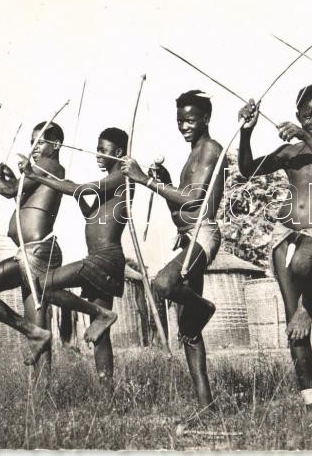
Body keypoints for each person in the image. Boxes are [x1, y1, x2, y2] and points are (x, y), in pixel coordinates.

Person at [237, 84, 312, 424]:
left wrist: (305, 136)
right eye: (308, 115)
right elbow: (247, 170)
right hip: (283, 233)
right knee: (294, 326)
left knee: (304, 264)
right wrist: (247, 131)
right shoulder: (289, 153)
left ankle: (308, 305)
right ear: (300, 114)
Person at [121, 90, 223, 411]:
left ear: (206, 118)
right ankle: (206, 406)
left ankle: (205, 307)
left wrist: (145, 181)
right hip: (186, 237)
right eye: (180, 121)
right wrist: (164, 181)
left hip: (202, 236)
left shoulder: (210, 150)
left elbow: (194, 202)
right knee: (189, 333)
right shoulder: (192, 154)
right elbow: (179, 206)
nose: (184, 127)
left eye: (190, 120)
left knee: (162, 284)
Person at [21, 127, 132, 381]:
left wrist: (41, 178)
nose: (97, 155)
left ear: (118, 153)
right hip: (104, 260)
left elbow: (79, 189)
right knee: (101, 336)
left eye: (102, 151)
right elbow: (91, 212)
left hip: (104, 259)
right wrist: (73, 192)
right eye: (97, 149)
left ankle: (98, 314)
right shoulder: (110, 187)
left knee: (41, 285)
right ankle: (107, 396)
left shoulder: (121, 178)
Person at [0, 122, 65, 367]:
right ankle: (43, 395)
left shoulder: (49, 165)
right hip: (33, 252)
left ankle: (31, 333)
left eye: (40, 142)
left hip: (36, 253)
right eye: (31, 143)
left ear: (56, 145)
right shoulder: (43, 171)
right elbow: (17, 192)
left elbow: (8, 191)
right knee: (39, 330)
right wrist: (12, 178)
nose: (34, 148)